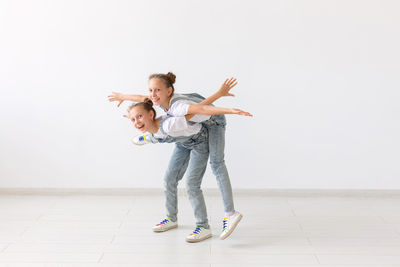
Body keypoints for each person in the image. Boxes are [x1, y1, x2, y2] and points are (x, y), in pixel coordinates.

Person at [109, 73, 247, 240]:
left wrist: (229, 108)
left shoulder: (178, 108)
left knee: (215, 165)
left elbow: (201, 109)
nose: (153, 94)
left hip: (212, 121)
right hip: (187, 135)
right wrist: (122, 96)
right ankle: (171, 217)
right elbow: (143, 99)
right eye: (151, 90)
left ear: (169, 90)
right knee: (169, 178)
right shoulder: (158, 101)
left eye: (157, 90)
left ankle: (224, 216)